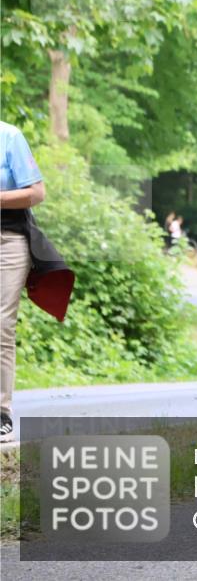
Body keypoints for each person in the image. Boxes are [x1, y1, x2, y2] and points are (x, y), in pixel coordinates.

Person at [1, 122, 75, 443]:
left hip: (8, 240)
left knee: (0, 323)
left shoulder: (9, 136)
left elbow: (37, 192)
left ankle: (1, 413)